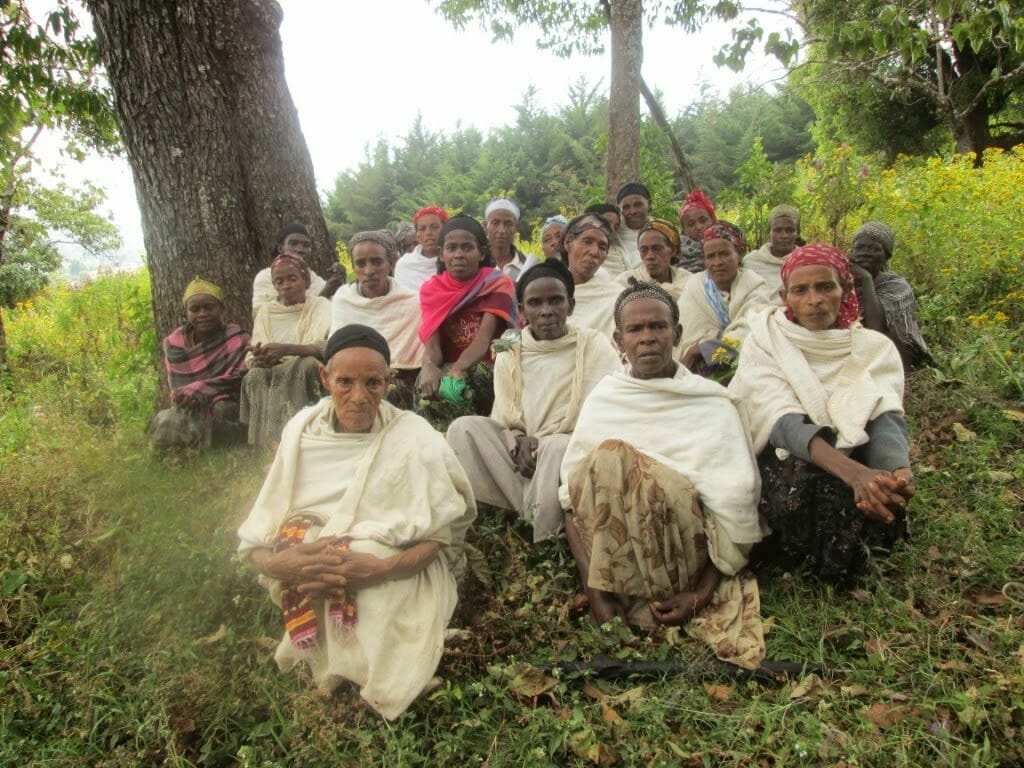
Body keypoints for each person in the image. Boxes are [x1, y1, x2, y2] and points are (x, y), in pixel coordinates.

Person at [237, 325, 476, 720]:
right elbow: (260, 528)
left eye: (372, 383)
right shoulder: (302, 432)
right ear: (324, 377)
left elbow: (440, 535)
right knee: (306, 542)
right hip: (314, 563)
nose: (359, 397)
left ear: (389, 381)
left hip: (399, 562)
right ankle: (337, 659)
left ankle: (377, 672)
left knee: (363, 556)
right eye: (345, 382)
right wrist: (282, 564)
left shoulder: (415, 436)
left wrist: (381, 568)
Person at [559, 280, 766, 668]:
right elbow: (572, 503)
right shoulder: (606, 397)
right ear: (619, 340)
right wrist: (597, 596)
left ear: (677, 333)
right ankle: (615, 597)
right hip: (613, 568)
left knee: (614, 459)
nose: (648, 338)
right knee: (607, 460)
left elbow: (735, 503)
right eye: (635, 330)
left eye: (658, 327)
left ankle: (654, 597)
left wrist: (700, 596)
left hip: (682, 560)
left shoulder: (710, 402)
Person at [729, 244, 913, 584]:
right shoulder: (766, 340)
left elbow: (883, 413)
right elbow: (782, 422)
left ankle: (861, 557)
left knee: (880, 489)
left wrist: (896, 472)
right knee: (803, 481)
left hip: (852, 448)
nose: (814, 299)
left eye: (825, 287)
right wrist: (852, 473)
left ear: (843, 290)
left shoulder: (872, 347)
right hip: (786, 449)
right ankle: (800, 561)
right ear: (785, 296)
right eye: (801, 290)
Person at [446, 260, 620, 542]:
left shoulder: (593, 344)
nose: (547, 311)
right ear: (523, 311)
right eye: (535, 303)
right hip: (520, 449)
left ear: (571, 306)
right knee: (462, 429)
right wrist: (519, 437)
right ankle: (501, 518)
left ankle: (543, 537)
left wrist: (548, 439)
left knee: (555, 447)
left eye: (556, 301)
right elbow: (503, 414)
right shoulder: (510, 349)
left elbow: (604, 411)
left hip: (570, 448)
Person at [417, 214, 517, 425]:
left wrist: (458, 370)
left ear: (481, 253)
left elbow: (483, 339)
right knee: (425, 384)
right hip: (449, 366)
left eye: (467, 248)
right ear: (441, 254)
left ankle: (477, 435)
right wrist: (428, 365)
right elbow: (433, 345)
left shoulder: (498, 283)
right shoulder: (432, 289)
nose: (459, 254)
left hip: (487, 367)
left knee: (471, 377)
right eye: (451, 248)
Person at [240, 255, 332, 447]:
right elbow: (255, 352)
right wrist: (260, 357)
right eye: (279, 281)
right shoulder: (266, 312)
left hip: (304, 364)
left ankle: (304, 435)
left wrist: (287, 350)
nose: (286, 286)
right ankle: (265, 443)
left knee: (307, 365)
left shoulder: (321, 306)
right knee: (255, 375)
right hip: (272, 368)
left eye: (292, 279)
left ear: (305, 281)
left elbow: (327, 346)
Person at [150, 277, 250, 449]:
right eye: (194, 309)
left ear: (222, 308)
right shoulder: (174, 344)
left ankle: (215, 445)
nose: (202, 314)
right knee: (169, 419)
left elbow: (240, 378)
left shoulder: (237, 338)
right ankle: (183, 450)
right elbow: (179, 389)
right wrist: (189, 395)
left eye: (209, 307)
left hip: (227, 402)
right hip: (190, 404)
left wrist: (200, 391)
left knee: (223, 410)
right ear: (187, 313)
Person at [330, 231, 424, 409]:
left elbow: (416, 362)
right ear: (352, 265)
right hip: (350, 376)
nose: (369, 270)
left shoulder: (412, 302)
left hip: (397, 378)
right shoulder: (343, 299)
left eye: (377, 261)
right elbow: (336, 349)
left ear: (391, 262)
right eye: (360, 263)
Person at [678, 220, 772, 373]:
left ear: (739, 255)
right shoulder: (694, 286)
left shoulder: (754, 285)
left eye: (724, 254)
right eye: (710, 256)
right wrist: (702, 349)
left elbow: (754, 331)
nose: (718, 262)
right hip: (695, 366)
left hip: (749, 363)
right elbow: (686, 334)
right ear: (704, 261)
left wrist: (703, 349)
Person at [849, 221, 934, 368]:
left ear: (886, 256)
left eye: (874, 249)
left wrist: (866, 278)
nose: (865, 253)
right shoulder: (844, 281)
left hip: (893, 354)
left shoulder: (898, 286)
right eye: (859, 248)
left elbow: (876, 327)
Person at [561, 213, 621, 337]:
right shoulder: (548, 292)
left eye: (602, 247)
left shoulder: (618, 297)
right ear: (568, 243)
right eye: (587, 242)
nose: (594, 252)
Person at [253, 223, 328, 315]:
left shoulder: (315, 280)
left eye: (306, 245)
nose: (300, 249)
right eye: (293, 243)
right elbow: (263, 315)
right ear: (280, 248)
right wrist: (326, 292)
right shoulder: (265, 276)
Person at [615, 219, 692, 298]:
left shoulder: (689, 281)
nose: (650, 256)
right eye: (643, 250)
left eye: (657, 248)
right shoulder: (624, 282)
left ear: (673, 250)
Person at [743, 205, 801, 303]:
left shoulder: (805, 262)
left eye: (790, 230)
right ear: (768, 232)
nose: (784, 236)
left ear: (798, 233)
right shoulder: (751, 261)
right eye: (778, 230)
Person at [394, 206, 448, 292]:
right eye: (422, 229)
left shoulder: (454, 261)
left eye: (434, 227)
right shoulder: (404, 265)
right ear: (417, 235)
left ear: (446, 230)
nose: (428, 233)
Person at [484, 198, 538, 280]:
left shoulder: (529, 266)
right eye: (495, 223)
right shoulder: (475, 264)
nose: (501, 230)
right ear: (485, 226)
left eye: (508, 224)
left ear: (516, 228)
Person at [604, 181, 651, 275]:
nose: (633, 211)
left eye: (638, 205)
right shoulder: (613, 234)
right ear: (619, 210)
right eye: (626, 207)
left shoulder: (660, 231)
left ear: (649, 204)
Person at [677, 189, 717, 273]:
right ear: (684, 230)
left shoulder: (727, 245)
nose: (698, 227)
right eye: (691, 224)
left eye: (703, 221)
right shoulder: (675, 253)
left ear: (713, 221)